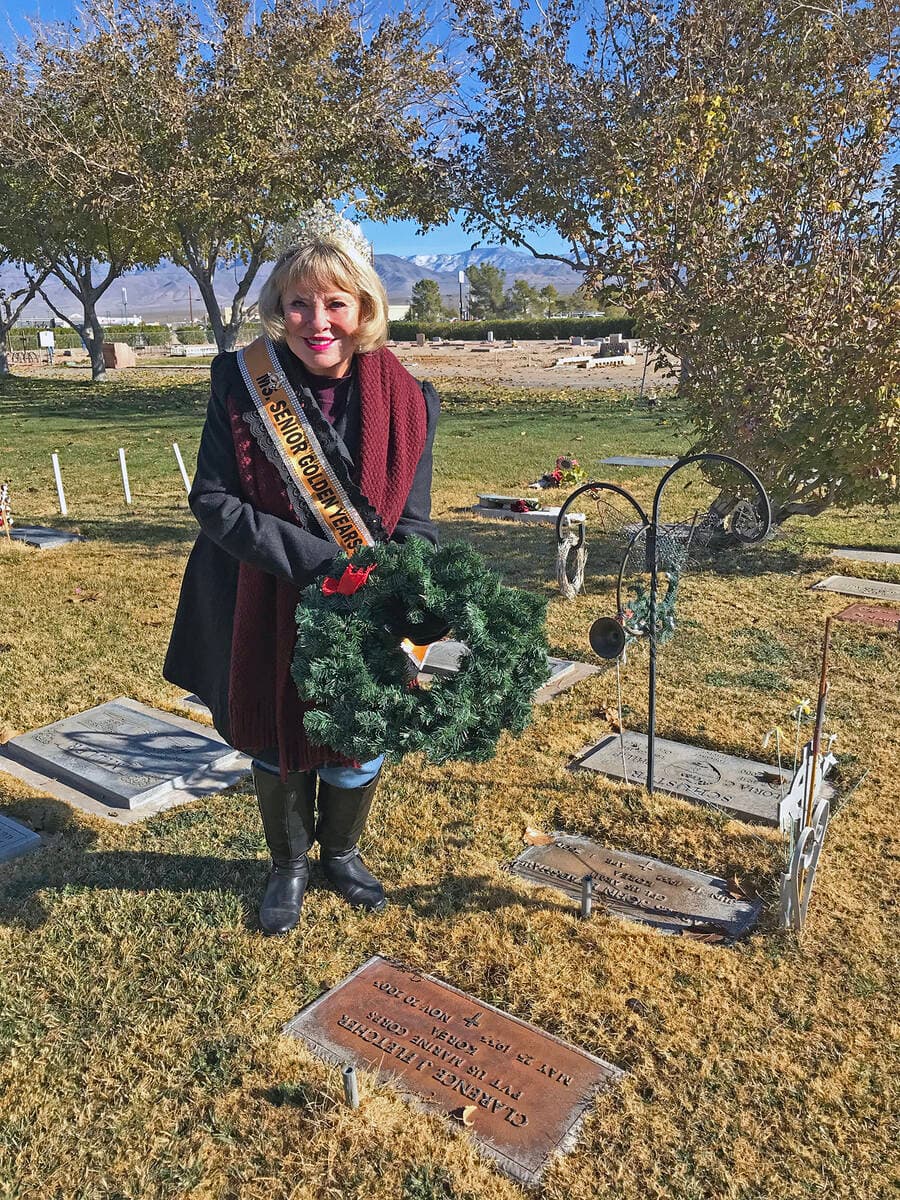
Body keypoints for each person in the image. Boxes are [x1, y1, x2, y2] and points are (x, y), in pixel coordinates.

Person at [164, 222, 439, 936]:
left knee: (359, 729)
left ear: (366, 309)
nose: (318, 322)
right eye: (298, 305)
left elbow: (415, 521)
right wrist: (329, 565)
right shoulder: (241, 382)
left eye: (336, 304)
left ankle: (341, 853)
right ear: (278, 309)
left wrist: (407, 598)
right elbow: (214, 501)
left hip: (366, 604)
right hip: (261, 589)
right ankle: (287, 863)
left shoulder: (413, 401)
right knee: (274, 734)